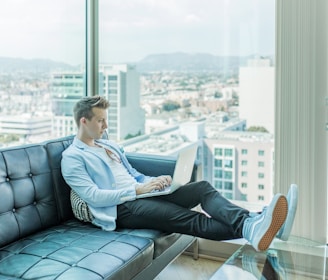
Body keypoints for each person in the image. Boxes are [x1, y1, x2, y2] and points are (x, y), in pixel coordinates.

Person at [61, 95, 298, 252]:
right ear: (83, 121)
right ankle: (260, 224)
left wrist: (152, 181)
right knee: (190, 219)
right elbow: (93, 196)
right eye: (100, 121)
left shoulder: (108, 145)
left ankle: (255, 224)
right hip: (122, 208)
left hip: (142, 194)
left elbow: (132, 172)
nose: (106, 126)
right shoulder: (72, 157)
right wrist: (137, 190)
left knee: (203, 188)